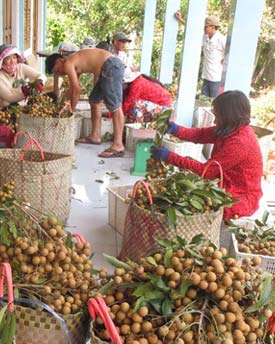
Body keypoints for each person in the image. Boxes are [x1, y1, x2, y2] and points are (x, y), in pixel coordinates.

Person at [149, 90, 262, 219]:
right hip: (221, 183)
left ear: (228, 117)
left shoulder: (239, 142)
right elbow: (201, 134)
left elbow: (207, 171)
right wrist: (176, 130)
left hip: (238, 197)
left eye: (217, 116)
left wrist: (170, 157)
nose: (214, 121)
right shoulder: (230, 128)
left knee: (192, 206)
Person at [47, 48, 126, 158]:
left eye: (57, 70)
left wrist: (70, 112)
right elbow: (72, 89)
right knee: (94, 99)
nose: (60, 74)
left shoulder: (68, 63)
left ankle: (118, 145)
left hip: (111, 66)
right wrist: (62, 102)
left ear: (60, 61)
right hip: (107, 68)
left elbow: (77, 90)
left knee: (115, 106)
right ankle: (95, 136)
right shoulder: (72, 62)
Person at [175, 13, 226, 98]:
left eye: (206, 27)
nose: (204, 28)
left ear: (212, 27)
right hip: (206, 77)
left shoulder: (221, 39)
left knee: (215, 102)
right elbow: (192, 30)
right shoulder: (205, 37)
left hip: (216, 79)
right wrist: (180, 19)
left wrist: (224, 59)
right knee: (204, 101)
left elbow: (231, 52)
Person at [0, 44, 43, 110]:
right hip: (4, 112)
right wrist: (25, 90)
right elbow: (9, 97)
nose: (12, 61)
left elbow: (40, 75)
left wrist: (39, 82)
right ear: (2, 61)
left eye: (14, 57)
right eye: (8, 58)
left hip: (21, 109)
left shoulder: (21, 67)